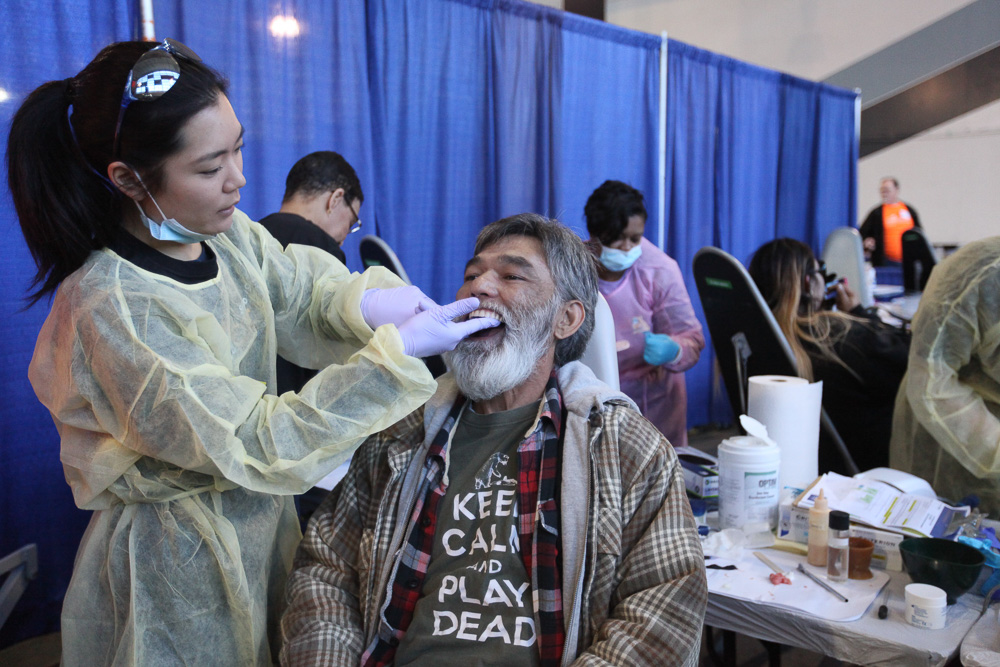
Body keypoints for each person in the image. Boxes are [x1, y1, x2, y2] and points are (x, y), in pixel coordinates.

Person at [7, 40, 498, 666]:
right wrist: (394, 356)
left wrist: (372, 304)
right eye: (210, 167)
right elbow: (252, 439)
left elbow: (299, 293)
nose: (238, 179)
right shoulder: (116, 308)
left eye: (237, 148)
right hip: (178, 568)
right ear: (129, 179)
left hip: (261, 528)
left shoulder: (224, 235)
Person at [281, 214, 707, 666]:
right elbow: (326, 570)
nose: (479, 287)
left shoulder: (625, 448)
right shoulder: (401, 434)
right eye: (471, 275)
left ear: (566, 318)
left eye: (511, 276)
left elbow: (664, 608)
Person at [748, 238, 910, 472]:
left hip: (793, 469)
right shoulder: (839, 335)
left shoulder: (757, 341)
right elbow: (908, 361)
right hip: (865, 471)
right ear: (808, 283)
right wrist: (860, 313)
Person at [583, 180, 704, 447]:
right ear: (594, 235)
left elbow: (692, 339)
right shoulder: (575, 267)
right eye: (617, 239)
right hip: (593, 397)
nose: (628, 248)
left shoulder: (659, 270)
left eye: (635, 238)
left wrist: (674, 350)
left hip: (656, 402)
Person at [891, 236, 1000, 513]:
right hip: (951, 443)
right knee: (951, 528)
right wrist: (994, 447)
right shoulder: (982, 274)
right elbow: (930, 379)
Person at [260, 151, 362, 395]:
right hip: (284, 398)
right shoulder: (323, 252)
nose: (344, 237)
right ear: (335, 199)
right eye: (351, 223)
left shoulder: (253, 234)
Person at [859, 177, 922, 266]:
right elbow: (863, 232)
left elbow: (919, 232)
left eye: (887, 190)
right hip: (886, 262)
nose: (884, 193)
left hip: (909, 261)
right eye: (882, 191)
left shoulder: (909, 210)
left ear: (896, 190)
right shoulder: (876, 213)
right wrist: (868, 241)